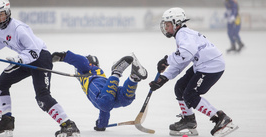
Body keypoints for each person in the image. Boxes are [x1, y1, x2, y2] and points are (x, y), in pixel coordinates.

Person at [0, 0, 80, 137]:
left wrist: (20, 60)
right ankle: (6, 121)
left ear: (7, 13)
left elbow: (34, 51)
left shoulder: (19, 29)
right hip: (23, 59)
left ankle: (69, 125)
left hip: (40, 58)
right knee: (0, 85)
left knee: (42, 97)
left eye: (0, 15)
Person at [149, 7, 239, 136]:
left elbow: (185, 54)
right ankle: (188, 120)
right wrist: (164, 78)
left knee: (190, 95)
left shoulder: (184, 34)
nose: (166, 28)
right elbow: (183, 59)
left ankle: (220, 118)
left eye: (168, 25)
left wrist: (166, 60)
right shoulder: (183, 34)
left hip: (211, 66)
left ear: (176, 24)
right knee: (180, 87)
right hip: (203, 64)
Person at [51, 50, 148, 131]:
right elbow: (104, 109)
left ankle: (116, 72)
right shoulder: (99, 73)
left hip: (94, 84)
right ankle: (134, 78)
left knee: (105, 102)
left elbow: (81, 61)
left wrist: (63, 56)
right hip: (107, 86)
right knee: (124, 100)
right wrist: (102, 124)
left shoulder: (87, 68)